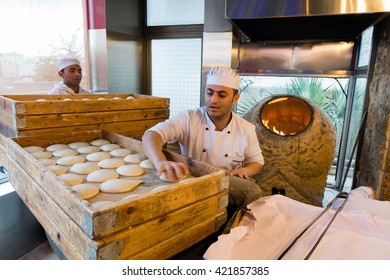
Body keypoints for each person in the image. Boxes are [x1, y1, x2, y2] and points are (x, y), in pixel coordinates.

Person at [142, 66, 264, 207]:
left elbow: (257, 162)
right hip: (191, 185)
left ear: (235, 98)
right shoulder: (189, 118)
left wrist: (244, 171)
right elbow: (152, 135)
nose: (214, 100)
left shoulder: (246, 129)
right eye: (209, 93)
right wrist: (159, 161)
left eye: (222, 95)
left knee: (252, 193)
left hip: (226, 187)